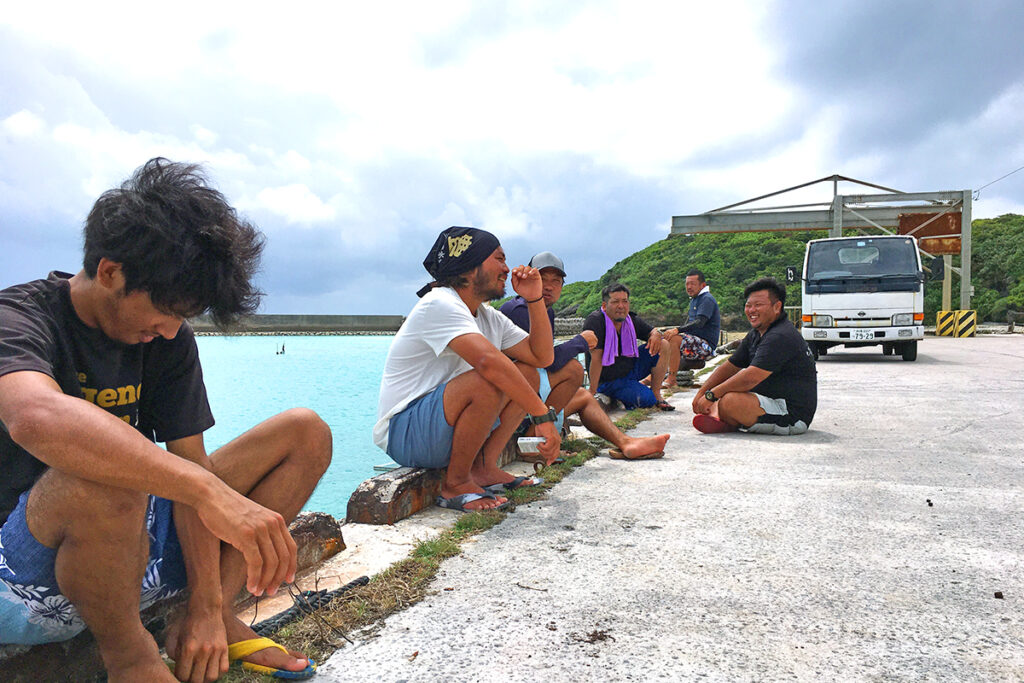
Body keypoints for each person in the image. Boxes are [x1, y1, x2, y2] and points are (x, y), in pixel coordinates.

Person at [0, 159, 331, 682]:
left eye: (186, 316)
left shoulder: (165, 338)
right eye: (167, 310)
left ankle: (210, 616)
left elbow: (188, 462)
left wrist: (205, 599)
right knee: (106, 473)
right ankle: (130, 658)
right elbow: (34, 416)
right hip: (20, 578)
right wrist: (206, 490)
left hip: (130, 550)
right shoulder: (17, 319)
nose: (174, 330)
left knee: (303, 432)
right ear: (110, 272)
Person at [375, 227, 561, 513]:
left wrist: (534, 299)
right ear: (471, 266)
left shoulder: (488, 317)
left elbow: (541, 356)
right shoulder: (439, 303)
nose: (507, 268)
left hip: (442, 426)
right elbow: (488, 362)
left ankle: (484, 467)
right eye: (498, 259)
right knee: (486, 379)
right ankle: (456, 483)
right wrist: (541, 415)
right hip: (406, 433)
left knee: (527, 373)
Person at [500, 253, 670, 459]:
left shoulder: (545, 311)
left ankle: (625, 442)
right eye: (542, 279)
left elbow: (544, 360)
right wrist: (580, 342)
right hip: (511, 399)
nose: (549, 286)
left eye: (556, 281)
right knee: (573, 370)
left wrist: (655, 333)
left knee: (585, 397)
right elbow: (545, 361)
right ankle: (533, 441)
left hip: (530, 390)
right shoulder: (519, 309)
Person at [691, 277, 817, 435]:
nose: (751, 310)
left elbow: (750, 377)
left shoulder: (781, 335)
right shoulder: (756, 333)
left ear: (777, 307)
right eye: (748, 305)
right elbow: (729, 366)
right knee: (722, 398)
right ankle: (727, 418)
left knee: (729, 401)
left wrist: (711, 395)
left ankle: (727, 419)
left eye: (758, 305)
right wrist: (702, 392)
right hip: (766, 400)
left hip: (790, 414)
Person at [582, 284, 674, 411]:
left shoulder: (630, 319)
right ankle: (634, 393)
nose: (621, 306)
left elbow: (653, 331)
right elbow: (596, 359)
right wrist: (592, 392)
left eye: (624, 301)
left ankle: (656, 393)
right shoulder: (595, 321)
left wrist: (656, 334)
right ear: (604, 306)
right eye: (615, 302)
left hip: (630, 370)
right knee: (647, 400)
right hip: (608, 380)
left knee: (663, 344)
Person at [663, 269, 720, 387]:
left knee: (674, 339)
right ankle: (650, 378)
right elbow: (689, 324)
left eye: (692, 284)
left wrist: (677, 330)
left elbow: (700, 322)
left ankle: (672, 379)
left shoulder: (706, 299)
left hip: (706, 346)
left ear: (702, 285)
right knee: (664, 341)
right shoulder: (695, 299)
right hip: (694, 343)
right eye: (687, 284)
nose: (689, 287)